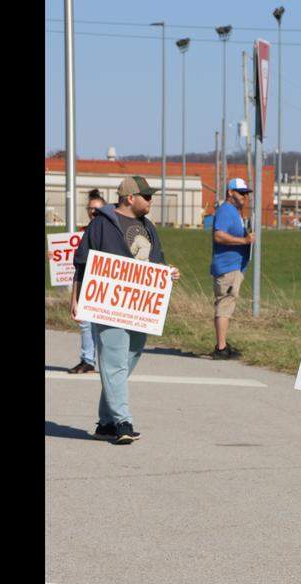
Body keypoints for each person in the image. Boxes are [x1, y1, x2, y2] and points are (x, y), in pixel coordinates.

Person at [72, 176, 181, 444]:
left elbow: (157, 262)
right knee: (114, 361)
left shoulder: (148, 226)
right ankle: (123, 422)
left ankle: (106, 423)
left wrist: (169, 273)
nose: (151, 201)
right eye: (146, 196)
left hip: (140, 307)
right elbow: (82, 263)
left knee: (126, 359)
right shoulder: (101, 224)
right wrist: (75, 299)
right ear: (130, 198)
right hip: (107, 305)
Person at [210, 177, 256, 359]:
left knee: (227, 304)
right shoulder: (225, 210)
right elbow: (219, 236)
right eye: (241, 193)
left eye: (246, 193)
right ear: (230, 192)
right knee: (225, 304)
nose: (245, 196)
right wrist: (244, 241)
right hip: (227, 267)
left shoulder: (234, 211)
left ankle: (222, 344)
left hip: (234, 267)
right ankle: (221, 348)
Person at [64, 189, 105, 374]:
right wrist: (75, 297)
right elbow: (78, 264)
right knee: (86, 323)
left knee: (105, 327)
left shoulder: (111, 232)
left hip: (106, 286)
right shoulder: (84, 233)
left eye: (97, 209)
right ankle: (87, 360)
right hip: (87, 283)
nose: (93, 212)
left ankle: (107, 363)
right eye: (90, 209)